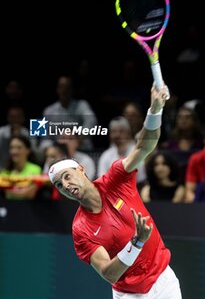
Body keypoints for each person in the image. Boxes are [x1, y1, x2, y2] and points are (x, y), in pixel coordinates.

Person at [48, 84, 182, 299]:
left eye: (66, 176)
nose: (66, 185)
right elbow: (109, 273)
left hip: (163, 280)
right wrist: (136, 242)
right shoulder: (81, 229)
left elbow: (143, 147)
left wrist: (155, 110)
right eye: (59, 185)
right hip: (129, 295)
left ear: (81, 169)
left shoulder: (115, 179)